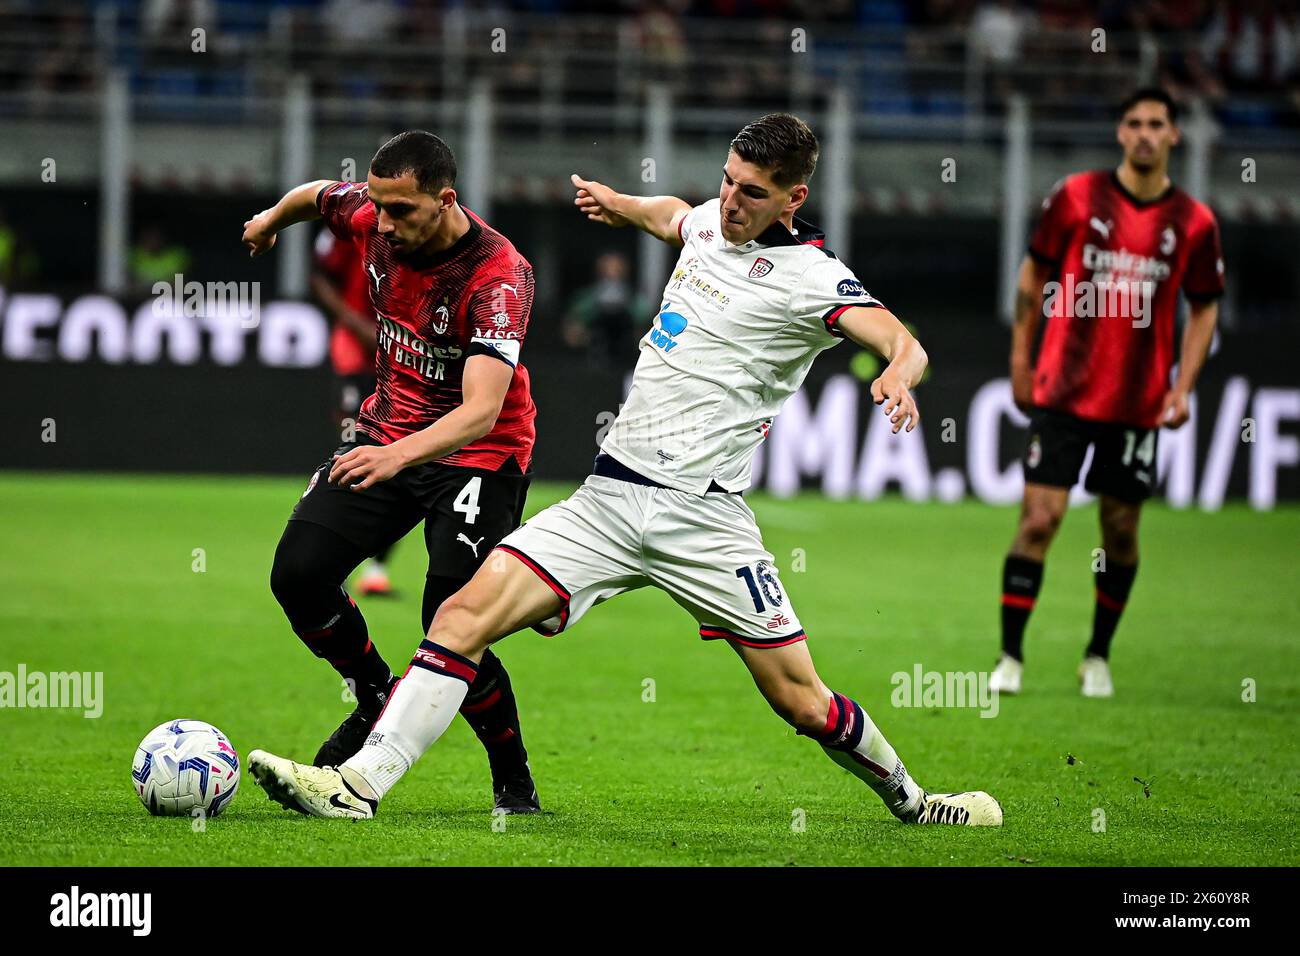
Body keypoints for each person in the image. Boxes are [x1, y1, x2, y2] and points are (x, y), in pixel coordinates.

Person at [248, 113, 1002, 827]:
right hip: (608, 500)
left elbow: (904, 340)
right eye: (729, 180)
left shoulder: (811, 277)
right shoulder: (710, 219)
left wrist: (900, 373)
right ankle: (357, 786)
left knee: (802, 704)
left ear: (794, 198)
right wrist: (618, 202)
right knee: (459, 617)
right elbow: (673, 214)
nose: (732, 201)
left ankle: (915, 799)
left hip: (703, 518)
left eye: (753, 192)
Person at [240, 130, 542, 812]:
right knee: (298, 574)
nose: (384, 222)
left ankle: (512, 776)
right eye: (377, 206)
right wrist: (268, 222)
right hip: (388, 432)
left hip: (479, 457)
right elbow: (317, 195)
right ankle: (376, 689)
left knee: (451, 618)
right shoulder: (375, 218)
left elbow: (481, 409)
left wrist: (395, 456)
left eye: (401, 210)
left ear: (445, 200)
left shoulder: (498, 277)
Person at [990, 88, 1224, 698]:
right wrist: (1021, 360)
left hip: (1137, 403)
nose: (1145, 134)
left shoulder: (1195, 224)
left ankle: (1097, 654)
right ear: (1120, 133)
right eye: (1134, 123)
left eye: (1157, 124)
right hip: (1063, 392)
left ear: (1174, 135)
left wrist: (1183, 385)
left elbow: (1204, 309)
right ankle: (1010, 657)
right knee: (1040, 520)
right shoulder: (1075, 197)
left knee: (1120, 529)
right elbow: (1033, 275)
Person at [311, 224, 397, 596]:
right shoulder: (350, 231)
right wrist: (356, 323)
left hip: (399, 361)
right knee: (351, 449)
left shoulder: (426, 230)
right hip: (354, 356)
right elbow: (321, 280)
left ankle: (376, 571)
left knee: (397, 460)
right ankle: (332, 562)